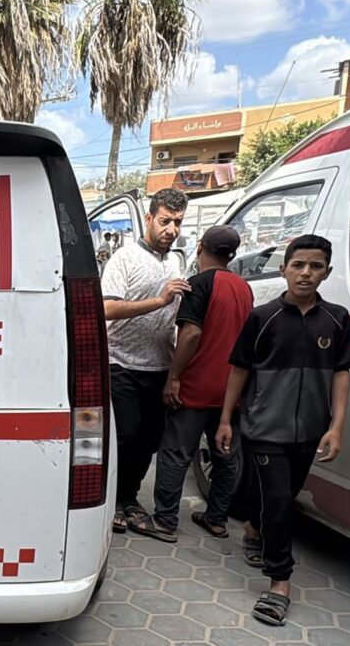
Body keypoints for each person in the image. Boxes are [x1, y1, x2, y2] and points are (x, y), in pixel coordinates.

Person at [216, 235, 350, 626]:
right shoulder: (263, 317)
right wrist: (227, 419)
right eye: (298, 265)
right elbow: (240, 370)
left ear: (327, 272)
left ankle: (252, 527)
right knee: (280, 501)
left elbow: (341, 374)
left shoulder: (337, 319)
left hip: (310, 431)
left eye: (315, 266)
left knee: (284, 495)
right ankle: (280, 582)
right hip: (265, 428)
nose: (306, 273)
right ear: (284, 270)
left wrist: (337, 427)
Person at [130, 226, 253, 543]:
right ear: (232, 254)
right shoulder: (244, 287)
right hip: (230, 392)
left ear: (200, 247)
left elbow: (191, 333)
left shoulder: (198, 284)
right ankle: (216, 519)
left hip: (196, 388)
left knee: (175, 453)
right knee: (225, 457)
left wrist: (174, 377)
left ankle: (166, 521)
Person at [102, 188, 191, 533]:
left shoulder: (175, 261)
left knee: (148, 440)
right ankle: (110, 502)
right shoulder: (123, 258)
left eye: (178, 223)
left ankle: (129, 498)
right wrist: (159, 300)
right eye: (165, 221)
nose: (171, 229)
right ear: (150, 218)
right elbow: (107, 308)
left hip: (159, 366)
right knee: (123, 436)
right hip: (121, 362)